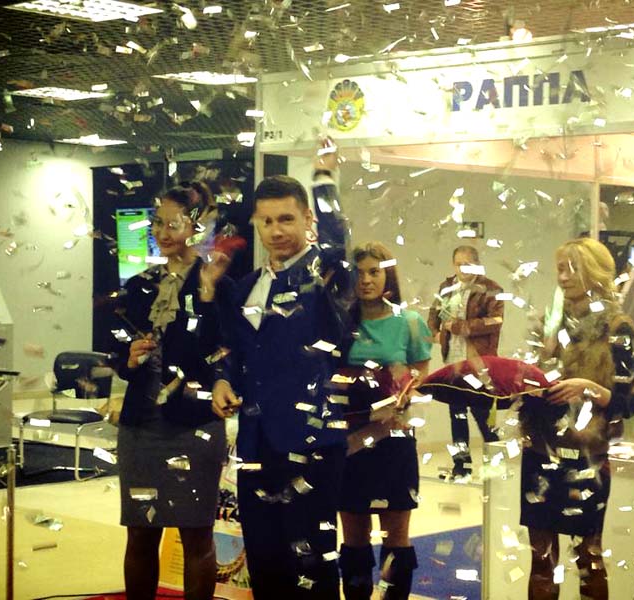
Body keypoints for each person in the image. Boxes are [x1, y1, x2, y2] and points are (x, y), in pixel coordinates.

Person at [206, 141, 354, 599]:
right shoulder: (246, 286)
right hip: (255, 441)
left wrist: (324, 180)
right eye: (267, 221)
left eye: (287, 219)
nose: (276, 231)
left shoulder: (326, 276)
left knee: (311, 561)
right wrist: (222, 378)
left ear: (308, 220)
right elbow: (232, 347)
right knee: (265, 558)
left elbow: (337, 241)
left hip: (311, 440)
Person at [112, 186, 228, 600]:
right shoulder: (138, 285)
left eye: (173, 224)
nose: (162, 232)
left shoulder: (216, 282)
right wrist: (128, 359)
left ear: (195, 227)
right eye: (157, 223)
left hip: (193, 424)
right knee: (140, 533)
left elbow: (224, 350)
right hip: (140, 426)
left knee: (196, 533)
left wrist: (208, 296)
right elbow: (115, 352)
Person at [523, 238, 634, 600]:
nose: (563, 277)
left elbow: (627, 402)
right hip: (541, 450)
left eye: (571, 268)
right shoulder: (548, 323)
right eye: (560, 268)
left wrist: (587, 388)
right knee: (541, 560)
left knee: (588, 558)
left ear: (595, 272)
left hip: (587, 457)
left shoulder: (618, 327)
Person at [338, 242, 432, 600]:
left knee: (396, 538)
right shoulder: (340, 321)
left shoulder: (410, 322)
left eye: (374, 272)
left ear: (388, 275)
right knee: (354, 537)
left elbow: (419, 377)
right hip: (350, 439)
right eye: (359, 273)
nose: (366, 280)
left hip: (393, 438)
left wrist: (403, 393)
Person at [427, 245, 504, 480]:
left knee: (482, 413)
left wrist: (461, 327)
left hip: (479, 361)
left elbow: (495, 321)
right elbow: (434, 314)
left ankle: (496, 463)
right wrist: (435, 333)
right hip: (453, 360)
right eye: (459, 264)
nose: (463, 269)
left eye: (468, 264)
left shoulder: (491, 289)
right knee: (457, 415)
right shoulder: (447, 287)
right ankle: (461, 465)